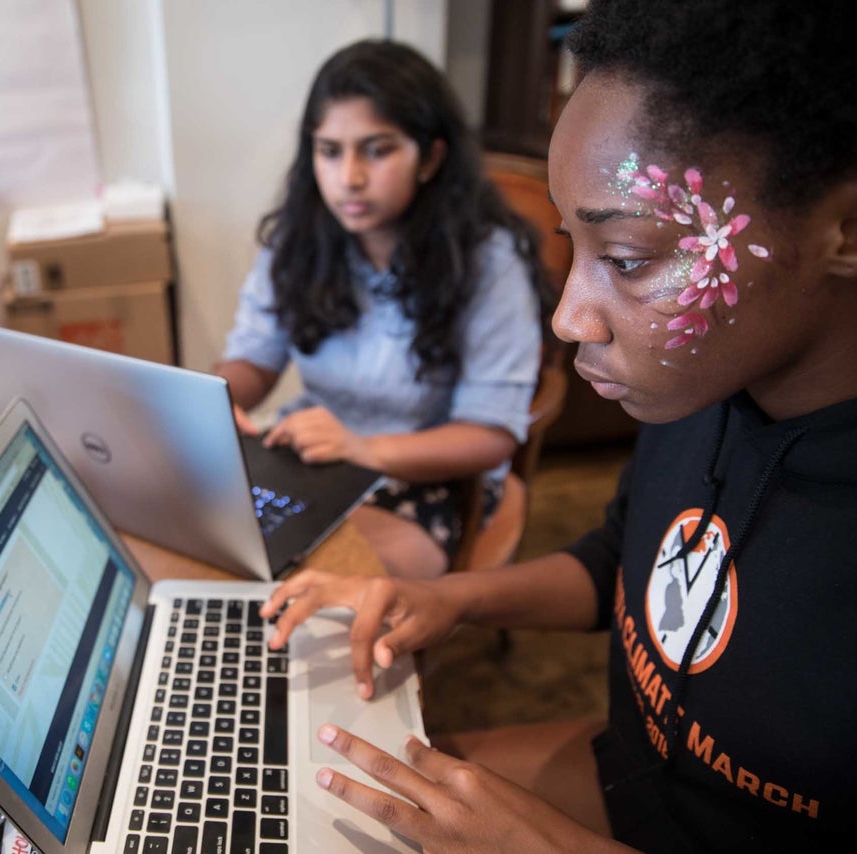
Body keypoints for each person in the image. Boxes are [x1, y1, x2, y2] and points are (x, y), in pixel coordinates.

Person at [259, 0, 857, 849]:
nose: (570, 318)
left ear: (846, 229)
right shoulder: (703, 393)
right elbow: (620, 563)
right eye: (571, 246)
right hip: (634, 776)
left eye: (627, 259)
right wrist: (447, 599)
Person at [215, 40, 549, 579]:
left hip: (436, 475)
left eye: (376, 150)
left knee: (317, 588)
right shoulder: (297, 244)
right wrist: (213, 400)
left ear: (430, 158)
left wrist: (362, 446)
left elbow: (491, 434)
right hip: (316, 456)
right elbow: (254, 360)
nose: (348, 177)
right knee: (221, 554)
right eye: (329, 151)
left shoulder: (487, 261)